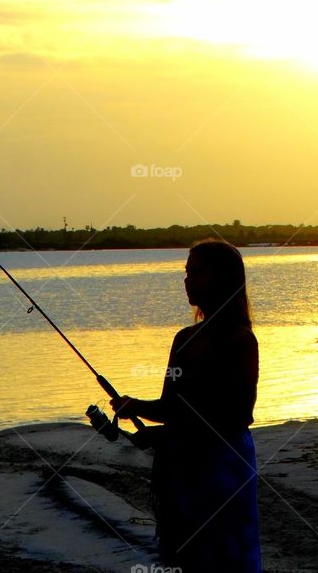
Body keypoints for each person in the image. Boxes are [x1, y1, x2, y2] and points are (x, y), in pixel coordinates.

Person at [111, 238, 261, 572]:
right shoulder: (183, 339)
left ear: (222, 280)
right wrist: (133, 407)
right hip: (184, 466)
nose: (187, 281)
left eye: (197, 273)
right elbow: (171, 406)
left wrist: (163, 437)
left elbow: (236, 416)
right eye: (186, 272)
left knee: (227, 552)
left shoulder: (241, 341)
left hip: (225, 466)